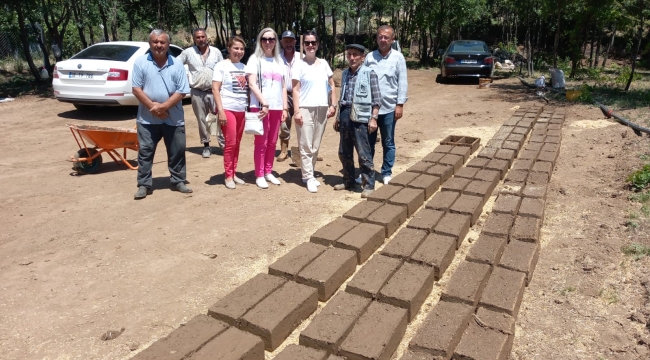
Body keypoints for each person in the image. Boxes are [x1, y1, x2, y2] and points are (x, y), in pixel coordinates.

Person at [132, 29, 192, 200]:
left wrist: (164, 107)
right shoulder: (140, 62)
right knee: (145, 151)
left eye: (162, 42)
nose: (158, 45)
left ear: (167, 44)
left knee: (177, 150)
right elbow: (136, 89)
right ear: (150, 43)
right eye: (155, 42)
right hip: (147, 118)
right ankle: (144, 184)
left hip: (174, 117)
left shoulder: (177, 64)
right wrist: (153, 107)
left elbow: (182, 91)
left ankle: (178, 180)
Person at [333, 44, 381, 198]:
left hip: (362, 118)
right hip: (346, 114)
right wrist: (338, 117)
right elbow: (343, 97)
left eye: (355, 55)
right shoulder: (345, 73)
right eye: (349, 54)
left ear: (362, 57)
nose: (352, 58)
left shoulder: (369, 73)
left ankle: (368, 185)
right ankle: (348, 180)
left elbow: (377, 99)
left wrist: (374, 118)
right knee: (344, 152)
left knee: (363, 153)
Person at [291, 30, 336, 193]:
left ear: (317, 45)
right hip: (305, 108)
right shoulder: (298, 65)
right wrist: (296, 111)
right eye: (307, 43)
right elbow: (295, 90)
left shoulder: (324, 63)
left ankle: (308, 173)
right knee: (305, 144)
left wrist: (333, 104)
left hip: (322, 108)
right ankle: (309, 176)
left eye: (313, 43)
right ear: (303, 45)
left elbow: (332, 84)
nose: (310, 45)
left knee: (316, 144)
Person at [363, 25, 408, 185]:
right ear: (377, 38)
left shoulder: (398, 58)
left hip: (389, 108)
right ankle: (366, 172)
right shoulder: (369, 57)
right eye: (380, 37)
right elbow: (364, 81)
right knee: (368, 143)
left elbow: (402, 82)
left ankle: (386, 172)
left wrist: (400, 104)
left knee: (388, 141)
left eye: (386, 37)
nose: (383, 40)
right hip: (370, 110)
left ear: (392, 39)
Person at [246, 28, 288, 189]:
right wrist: (264, 102)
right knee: (261, 143)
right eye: (264, 39)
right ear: (260, 41)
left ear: (276, 42)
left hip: (277, 107)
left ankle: (268, 171)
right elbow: (251, 84)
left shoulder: (280, 61)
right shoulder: (254, 60)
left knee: (272, 142)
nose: (268, 42)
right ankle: (259, 174)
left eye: (271, 39)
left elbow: (283, 87)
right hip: (260, 107)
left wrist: (285, 108)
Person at [177, 28, 224, 158]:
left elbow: (223, 70)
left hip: (214, 91)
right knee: (202, 120)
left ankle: (223, 145)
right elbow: (175, 64)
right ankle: (206, 146)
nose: (200, 39)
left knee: (219, 118)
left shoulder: (216, 52)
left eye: (202, 36)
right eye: (197, 37)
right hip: (197, 92)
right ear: (194, 38)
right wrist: (183, 77)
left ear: (206, 37)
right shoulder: (187, 52)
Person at [212, 36, 248, 189]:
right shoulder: (221, 66)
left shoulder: (244, 68)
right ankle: (228, 176)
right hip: (228, 109)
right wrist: (220, 111)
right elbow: (215, 88)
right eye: (236, 48)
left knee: (237, 143)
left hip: (242, 110)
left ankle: (233, 172)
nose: (239, 51)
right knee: (230, 143)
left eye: (241, 49)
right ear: (229, 49)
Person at [276, 30, 297, 162]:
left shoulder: (302, 58)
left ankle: (305, 152)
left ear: (295, 42)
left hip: (300, 95)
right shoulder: (276, 59)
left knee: (303, 124)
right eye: (286, 40)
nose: (288, 43)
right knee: (284, 122)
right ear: (281, 42)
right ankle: (284, 150)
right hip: (283, 95)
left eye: (291, 40)